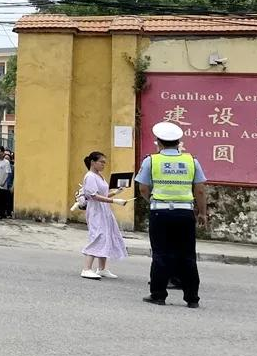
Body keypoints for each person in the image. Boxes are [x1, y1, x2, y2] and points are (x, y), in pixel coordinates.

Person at [136, 122, 207, 308]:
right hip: (185, 213)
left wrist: (151, 200)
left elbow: (143, 187)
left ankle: (158, 295)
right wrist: (202, 213)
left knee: (160, 254)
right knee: (188, 255)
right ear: (179, 143)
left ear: (158, 142)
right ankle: (192, 298)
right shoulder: (192, 161)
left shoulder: (151, 160)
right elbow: (200, 189)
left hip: (160, 212)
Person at [79, 151, 129, 280]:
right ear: (93, 162)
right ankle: (86, 268)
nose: (103, 165)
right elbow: (93, 196)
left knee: (106, 235)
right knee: (98, 235)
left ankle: (102, 268)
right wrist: (114, 201)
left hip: (104, 210)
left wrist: (115, 193)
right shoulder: (90, 176)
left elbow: (103, 195)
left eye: (104, 163)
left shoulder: (100, 176)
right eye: (101, 162)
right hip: (96, 210)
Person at [0, 146, 13, 219]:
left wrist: (4, 182)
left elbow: (8, 173)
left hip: (3, 184)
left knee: (3, 199)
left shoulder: (6, 162)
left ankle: (3, 213)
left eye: (1, 151)